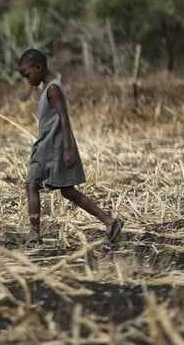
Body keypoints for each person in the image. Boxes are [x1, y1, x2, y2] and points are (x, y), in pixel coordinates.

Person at [18, 48, 122, 244]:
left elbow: (64, 118)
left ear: (39, 68)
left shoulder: (53, 89)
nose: (27, 80)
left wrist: (67, 149)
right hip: (48, 145)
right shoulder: (47, 89)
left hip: (54, 147)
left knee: (32, 184)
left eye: (28, 74)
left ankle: (34, 232)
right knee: (67, 191)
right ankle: (109, 221)